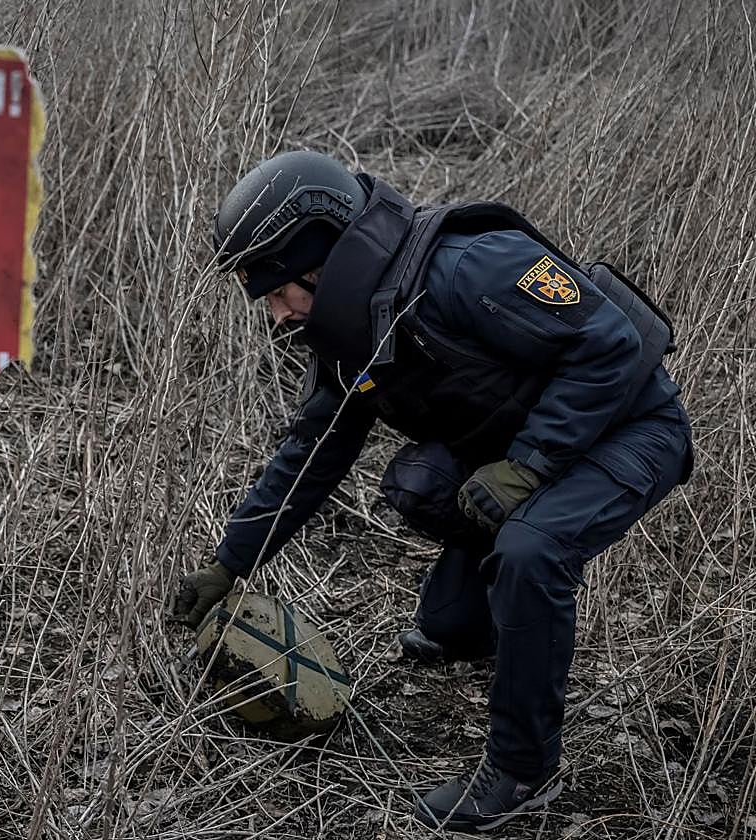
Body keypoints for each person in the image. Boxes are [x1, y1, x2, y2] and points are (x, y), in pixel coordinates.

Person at [169, 151, 693, 831]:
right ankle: (475, 625)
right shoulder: (350, 334)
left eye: (277, 293)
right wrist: (229, 564)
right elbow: (310, 456)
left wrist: (529, 466)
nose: (277, 316)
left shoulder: (468, 265)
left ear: (317, 263)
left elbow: (610, 344)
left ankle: (523, 772)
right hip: (528, 446)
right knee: (421, 494)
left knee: (531, 551)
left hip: (632, 426)